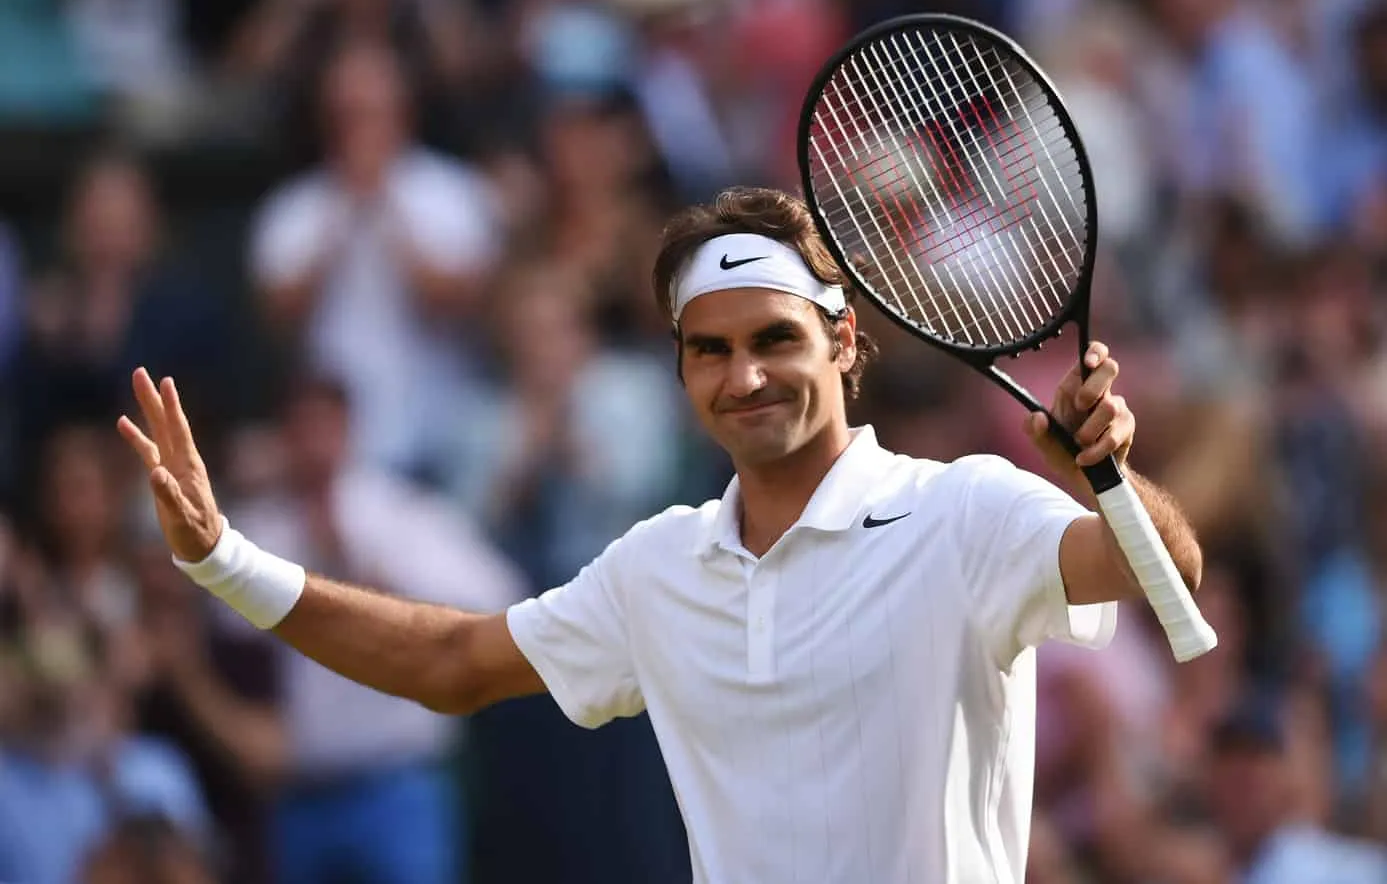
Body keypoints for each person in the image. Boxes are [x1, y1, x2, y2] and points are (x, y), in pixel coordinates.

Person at [116, 187, 1204, 883]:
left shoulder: (964, 509)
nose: (745, 377)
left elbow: (1165, 573)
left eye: (774, 339)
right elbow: (448, 663)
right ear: (680, 370)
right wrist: (224, 560)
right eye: (709, 349)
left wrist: (1099, 474)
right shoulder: (656, 567)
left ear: (843, 342)